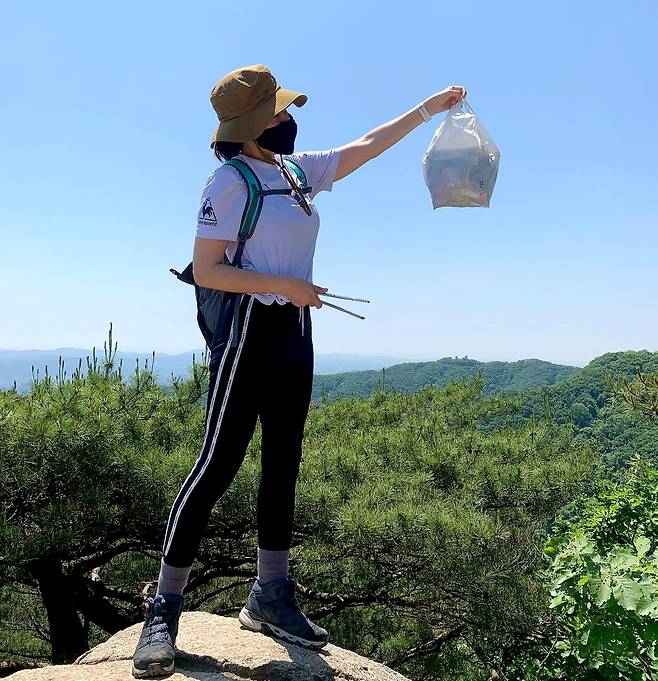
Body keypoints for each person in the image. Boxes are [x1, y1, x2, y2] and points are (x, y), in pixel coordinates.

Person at [131, 63, 466, 678]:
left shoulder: (293, 170)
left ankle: (271, 596)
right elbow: (208, 270)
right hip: (248, 334)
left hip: (294, 333)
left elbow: (362, 148)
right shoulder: (228, 182)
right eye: (281, 112)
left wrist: (428, 110)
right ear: (256, 122)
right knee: (215, 466)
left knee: (283, 461)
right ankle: (164, 609)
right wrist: (284, 283)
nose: (291, 120)